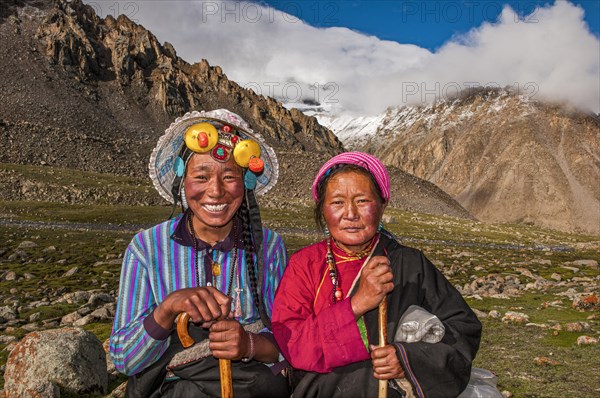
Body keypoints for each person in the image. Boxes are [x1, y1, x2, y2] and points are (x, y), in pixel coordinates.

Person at [109, 109, 289, 397]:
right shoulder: (146, 247)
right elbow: (124, 361)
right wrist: (169, 308)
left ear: (246, 183)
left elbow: (287, 340)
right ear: (183, 180)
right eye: (201, 176)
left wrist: (248, 345)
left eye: (229, 176)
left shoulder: (270, 248)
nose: (215, 191)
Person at [272, 152, 482, 398]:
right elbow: (291, 344)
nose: (350, 213)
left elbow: (463, 329)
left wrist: (407, 359)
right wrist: (357, 304)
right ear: (322, 210)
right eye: (337, 202)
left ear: (382, 205)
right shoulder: (305, 264)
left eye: (362, 201)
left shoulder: (410, 264)